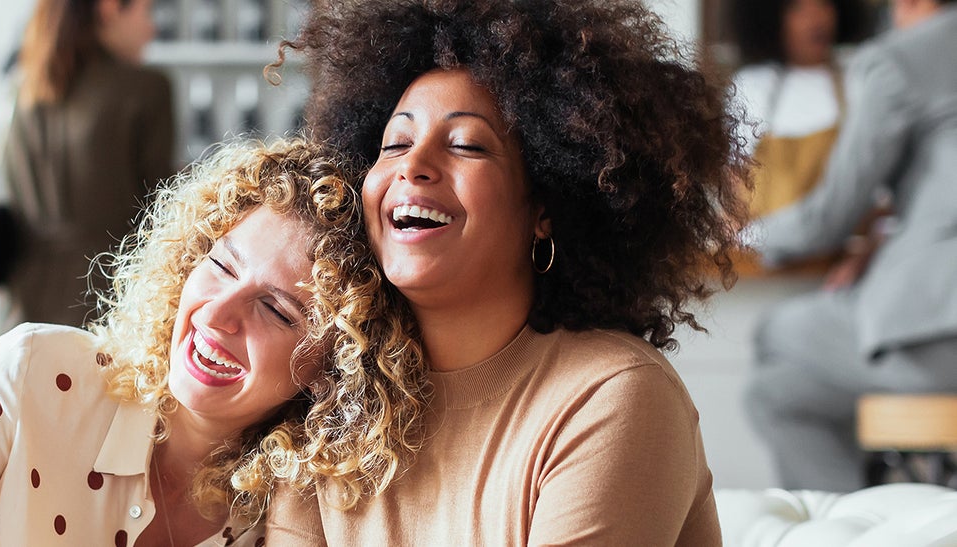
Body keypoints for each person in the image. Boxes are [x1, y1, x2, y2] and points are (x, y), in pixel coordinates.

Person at [267, 0, 748, 544]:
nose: (413, 164)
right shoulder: (332, 399)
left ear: (544, 209)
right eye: (395, 143)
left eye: (467, 145)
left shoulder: (612, 397)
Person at [0, 139, 416, 546]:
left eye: (274, 308)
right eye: (219, 265)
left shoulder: (289, 519)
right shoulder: (31, 374)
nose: (216, 314)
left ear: (331, 366)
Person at [744, 0, 957, 493]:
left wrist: (745, 233)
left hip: (940, 327)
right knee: (776, 395)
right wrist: (885, 236)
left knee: (774, 331)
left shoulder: (900, 57)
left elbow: (829, 216)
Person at [3, 0, 178, 327]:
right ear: (110, 8)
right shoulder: (146, 89)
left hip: (23, 306)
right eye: (146, 11)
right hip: (109, 301)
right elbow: (162, 213)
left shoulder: (24, 89)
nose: (152, 29)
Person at [731, 0, 869, 218]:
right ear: (772, 17)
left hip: (846, 243)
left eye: (823, 3)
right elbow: (736, 180)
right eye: (797, 7)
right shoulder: (752, 85)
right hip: (765, 246)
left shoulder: (858, 77)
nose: (815, 18)